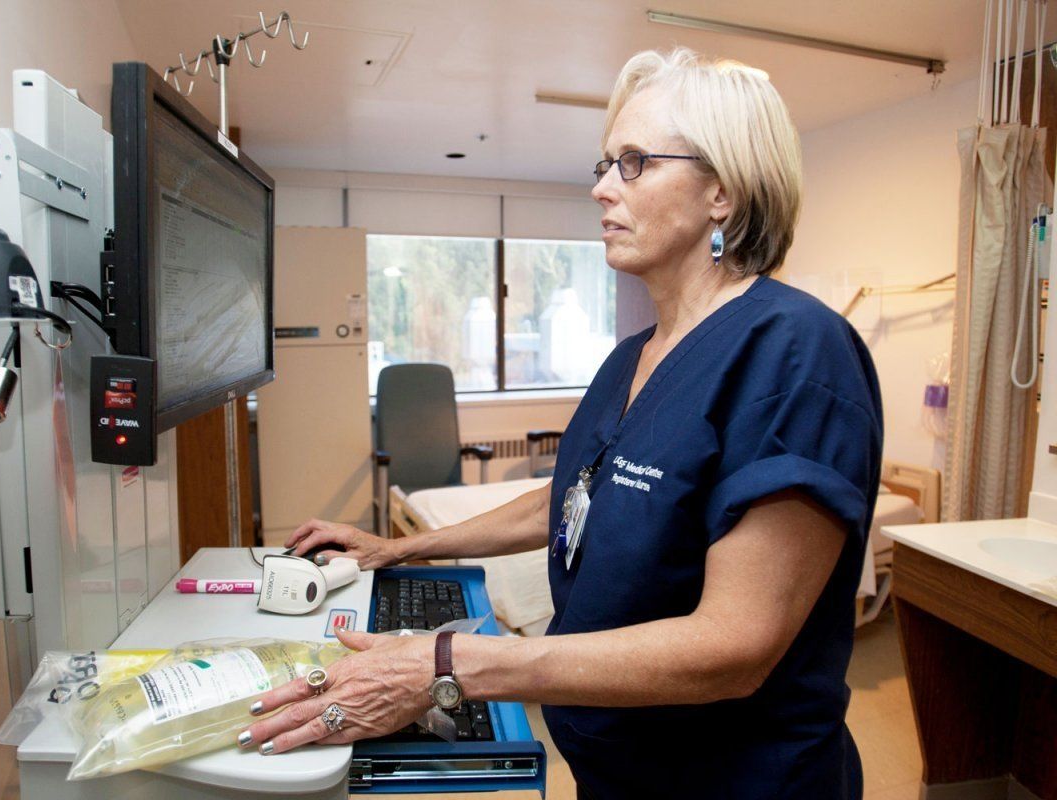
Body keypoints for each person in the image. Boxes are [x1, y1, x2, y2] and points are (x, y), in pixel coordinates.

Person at [237, 47, 881, 799]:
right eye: (603, 164)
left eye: (634, 163)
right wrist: (398, 547)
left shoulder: (795, 355)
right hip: (617, 768)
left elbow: (734, 646)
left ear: (725, 192)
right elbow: (576, 498)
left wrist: (447, 666)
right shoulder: (634, 357)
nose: (603, 188)